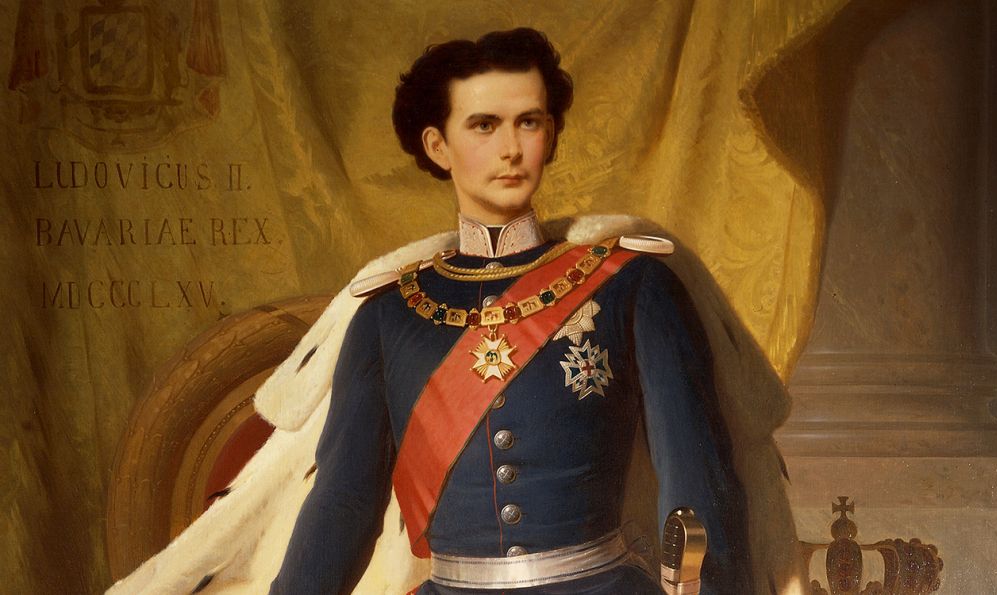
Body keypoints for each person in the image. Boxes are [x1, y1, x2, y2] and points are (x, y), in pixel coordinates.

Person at [268, 28, 756, 594]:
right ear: (437, 146)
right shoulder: (387, 315)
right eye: (484, 125)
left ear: (550, 134)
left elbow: (696, 480)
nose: (511, 149)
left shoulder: (633, 286)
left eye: (528, 122)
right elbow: (343, 503)